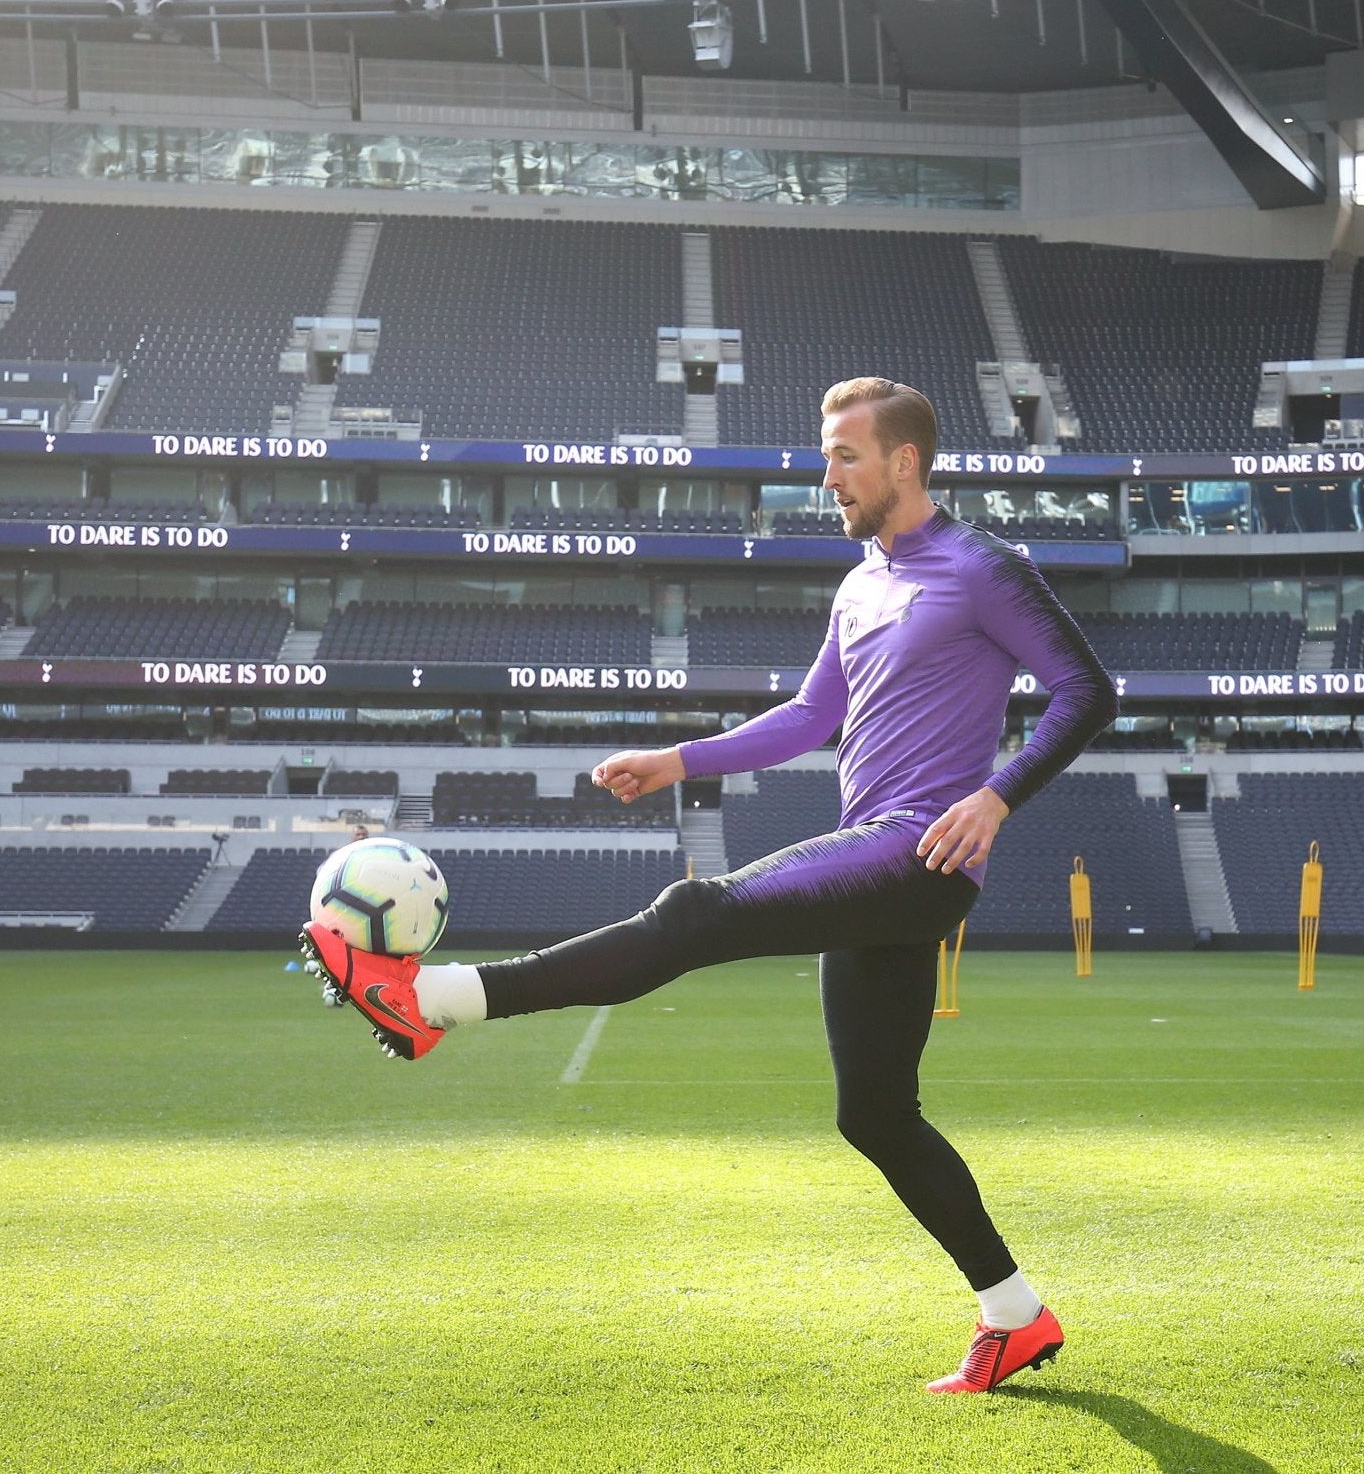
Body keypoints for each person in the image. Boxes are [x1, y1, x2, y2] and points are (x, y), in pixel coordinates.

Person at [303, 377, 1119, 1395]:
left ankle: (428, 1000)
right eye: (827, 458)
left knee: (696, 911)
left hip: (920, 853)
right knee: (873, 1112)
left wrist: (995, 798)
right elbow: (810, 717)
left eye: (847, 458)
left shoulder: (982, 567)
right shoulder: (863, 582)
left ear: (905, 462)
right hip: (873, 850)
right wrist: (677, 759)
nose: (828, 478)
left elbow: (1089, 689)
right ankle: (1015, 1313)